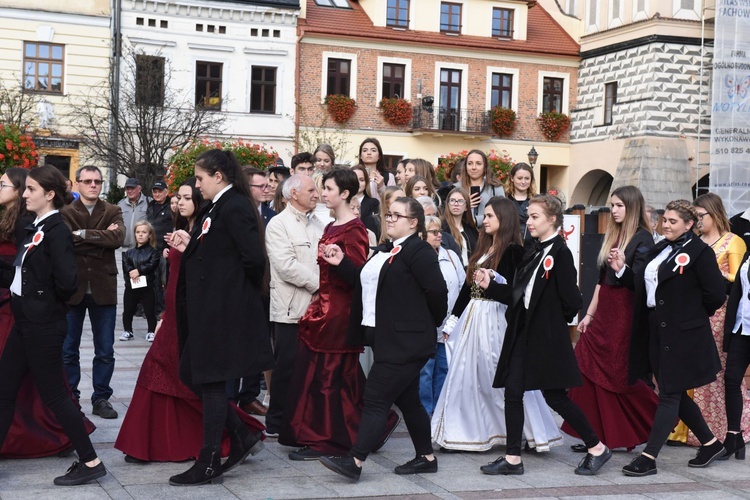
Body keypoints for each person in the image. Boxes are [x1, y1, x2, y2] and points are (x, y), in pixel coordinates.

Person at [115, 178, 265, 463]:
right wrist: (163, 313)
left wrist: (190, 250)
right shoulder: (183, 230)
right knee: (164, 375)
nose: (179, 201)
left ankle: (236, 432)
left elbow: (216, 269)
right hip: (173, 312)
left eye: (187, 196)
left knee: (181, 377)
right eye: (178, 197)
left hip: (192, 314)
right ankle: (156, 443)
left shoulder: (209, 230)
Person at [318, 197, 448, 480]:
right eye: (388, 215)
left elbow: (438, 293)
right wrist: (341, 263)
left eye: (396, 216)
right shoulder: (387, 251)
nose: (389, 219)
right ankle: (426, 457)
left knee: (375, 398)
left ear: (413, 222)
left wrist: (427, 324)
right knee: (409, 399)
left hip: (406, 342)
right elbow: (367, 284)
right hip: (386, 338)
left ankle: (355, 461)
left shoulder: (419, 251)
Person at [167, 149, 273, 486]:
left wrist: (231, 293)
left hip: (222, 310)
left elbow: (254, 259)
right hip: (208, 309)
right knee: (194, 376)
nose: (197, 186)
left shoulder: (236, 204)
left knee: (211, 383)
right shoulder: (217, 206)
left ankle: (209, 460)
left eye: (200, 179)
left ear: (218, 176)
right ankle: (241, 433)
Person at [485, 194, 611, 476]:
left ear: (552, 219)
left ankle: (597, 447)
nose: (528, 221)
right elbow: (520, 295)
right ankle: (513, 458)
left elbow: (572, 301)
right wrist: (491, 286)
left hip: (545, 338)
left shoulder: (560, 253)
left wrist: (550, 320)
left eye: (534, 217)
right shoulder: (532, 251)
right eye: (528, 216)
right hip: (522, 333)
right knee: (513, 392)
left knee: (556, 397)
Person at [281, 168, 398, 459]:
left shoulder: (354, 229)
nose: (323, 194)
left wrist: (342, 261)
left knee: (330, 380)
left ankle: (328, 439)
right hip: (322, 309)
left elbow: (359, 276)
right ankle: (372, 426)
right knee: (333, 378)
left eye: (329, 189)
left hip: (339, 313)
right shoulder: (331, 226)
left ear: (345, 194)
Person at [0, 165, 106, 486]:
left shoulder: (58, 229)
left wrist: (39, 302)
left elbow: (67, 283)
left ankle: (90, 460)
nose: (25, 195)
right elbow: (22, 275)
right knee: (4, 391)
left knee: (56, 397)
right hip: (25, 322)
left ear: (49, 195)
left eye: (31, 190)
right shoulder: (31, 226)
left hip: (42, 325)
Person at [433, 197, 561, 452]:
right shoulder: (484, 250)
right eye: (485, 215)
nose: (485, 220)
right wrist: (452, 321)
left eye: (490, 215)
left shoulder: (514, 251)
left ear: (504, 219)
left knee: (497, 375)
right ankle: (468, 432)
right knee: (469, 376)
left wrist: (494, 279)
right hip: (474, 317)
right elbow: (468, 290)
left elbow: (517, 290)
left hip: (496, 319)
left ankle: (523, 432)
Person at [613, 199, 727, 476]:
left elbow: (715, 295)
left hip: (682, 332)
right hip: (655, 328)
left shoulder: (700, 252)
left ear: (689, 225)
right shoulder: (660, 248)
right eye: (665, 220)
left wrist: (688, 316)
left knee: (670, 393)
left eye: (673, 221)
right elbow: (643, 286)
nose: (666, 225)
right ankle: (711, 444)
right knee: (669, 389)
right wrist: (621, 270)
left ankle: (649, 457)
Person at [565, 186, 658, 452]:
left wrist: (623, 268)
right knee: (586, 369)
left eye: (619, 205)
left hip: (625, 314)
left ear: (632, 207)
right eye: (612, 205)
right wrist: (589, 315)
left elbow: (639, 282)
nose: (614, 210)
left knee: (615, 374)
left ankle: (656, 418)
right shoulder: (613, 235)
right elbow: (600, 282)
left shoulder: (643, 239)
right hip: (603, 311)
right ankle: (594, 435)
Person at [667, 193, 749, 446]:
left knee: (716, 374)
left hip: (719, 315)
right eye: (694, 216)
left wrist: (707, 277)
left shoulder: (732, 242)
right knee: (688, 369)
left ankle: (724, 428)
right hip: (692, 313)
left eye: (701, 215)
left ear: (714, 214)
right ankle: (684, 428)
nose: (698, 220)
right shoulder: (693, 241)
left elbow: (737, 280)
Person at [61, 165, 125, 420]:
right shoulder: (64, 212)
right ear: (77, 184)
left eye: (97, 181)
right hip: (72, 287)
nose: (93, 185)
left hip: (103, 287)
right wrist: (101, 238)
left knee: (105, 349)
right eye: (87, 181)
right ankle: (71, 397)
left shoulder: (113, 210)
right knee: (68, 348)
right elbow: (66, 240)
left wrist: (83, 235)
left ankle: (101, 398)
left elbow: (118, 238)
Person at [264, 174, 325, 437]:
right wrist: (320, 286)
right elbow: (285, 266)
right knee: (286, 366)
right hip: (290, 308)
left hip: (317, 308)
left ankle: (303, 418)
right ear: (293, 194)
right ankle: (276, 421)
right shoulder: (278, 225)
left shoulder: (319, 225)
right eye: (311, 190)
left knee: (312, 367)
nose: (316, 194)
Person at [418, 216, 464, 415]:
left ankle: (441, 415)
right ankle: (425, 415)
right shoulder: (418, 257)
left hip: (449, 326)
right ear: (422, 234)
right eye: (434, 232)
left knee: (444, 370)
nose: (439, 236)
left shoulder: (451, 256)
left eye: (440, 232)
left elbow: (463, 287)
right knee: (425, 372)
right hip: (426, 326)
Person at [723, 244, 750, 460]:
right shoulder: (749, 253)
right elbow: (738, 289)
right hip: (741, 326)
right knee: (731, 379)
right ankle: (733, 436)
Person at [120, 221, 160, 342]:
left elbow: (152, 264)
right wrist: (132, 271)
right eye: (138, 232)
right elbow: (126, 265)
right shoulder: (129, 252)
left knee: (149, 311)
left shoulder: (153, 252)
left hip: (147, 286)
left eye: (144, 232)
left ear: (150, 235)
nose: (140, 235)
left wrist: (139, 270)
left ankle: (151, 331)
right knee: (128, 310)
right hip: (131, 285)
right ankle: (128, 330)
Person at [455, 150, 505, 226]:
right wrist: (465, 206)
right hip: (463, 233)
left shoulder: (495, 188)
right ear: (465, 166)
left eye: (478, 163)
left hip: (488, 234)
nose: (473, 167)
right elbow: (449, 216)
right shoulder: (455, 188)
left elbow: (502, 213)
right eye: (470, 163)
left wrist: (477, 220)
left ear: (485, 166)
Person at [147, 179, 172, 316]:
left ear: (166, 192)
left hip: (165, 249)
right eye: (154, 192)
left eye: (160, 192)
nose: (157, 194)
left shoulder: (171, 206)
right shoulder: (150, 206)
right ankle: (155, 308)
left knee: (165, 280)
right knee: (153, 280)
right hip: (152, 248)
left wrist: (168, 246)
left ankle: (165, 309)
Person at [442, 187, 478, 267]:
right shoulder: (442, 228)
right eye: (452, 200)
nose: (456, 204)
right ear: (447, 204)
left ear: (466, 207)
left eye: (460, 201)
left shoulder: (471, 229)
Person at [506, 163, 536, 247]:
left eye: (527, 178)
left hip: (532, 246)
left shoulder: (537, 201)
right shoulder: (504, 200)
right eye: (519, 178)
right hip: (508, 246)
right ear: (512, 178)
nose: (523, 182)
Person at [118, 177, 150, 249]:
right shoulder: (120, 204)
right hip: (123, 249)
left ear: (139, 189)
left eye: (132, 188)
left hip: (143, 248)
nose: (129, 191)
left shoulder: (149, 202)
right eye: (127, 188)